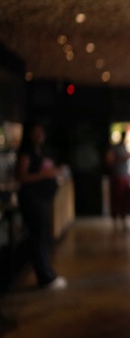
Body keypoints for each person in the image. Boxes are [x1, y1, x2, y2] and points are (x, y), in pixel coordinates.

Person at [15, 121, 67, 290]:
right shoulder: (26, 152)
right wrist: (45, 174)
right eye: (36, 133)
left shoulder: (39, 151)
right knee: (37, 239)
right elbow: (22, 177)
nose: (39, 136)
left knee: (42, 237)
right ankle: (45, 277)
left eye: (41, 133)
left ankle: (47, 274)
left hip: (40, 200)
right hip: (32, 200)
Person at [105, 130, 130, 230]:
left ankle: (123, 219)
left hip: (126, 177)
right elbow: (108, 161)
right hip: (117, 176)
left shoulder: (125, 147)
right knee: (117, 199)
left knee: (125, 199)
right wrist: (122, 158)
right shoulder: (115, 147)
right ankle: (115, 221)